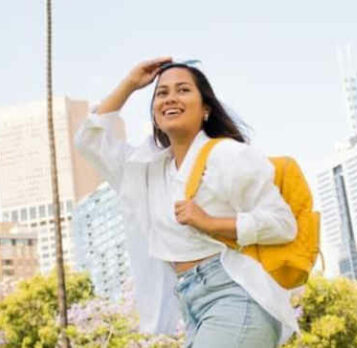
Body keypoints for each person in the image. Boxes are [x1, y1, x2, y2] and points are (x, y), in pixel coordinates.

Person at [74, 57, 299, 347]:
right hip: (193, 305)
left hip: (237, 294)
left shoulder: (227, 155)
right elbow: (88, 140)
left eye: (183, 90)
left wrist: (210, 223)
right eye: (162, 93)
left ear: (206, 108)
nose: (170, 98)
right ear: (154, 112)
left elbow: (282, 224)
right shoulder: (145, 171)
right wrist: (130, 83)